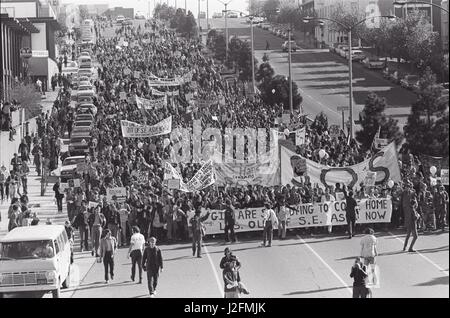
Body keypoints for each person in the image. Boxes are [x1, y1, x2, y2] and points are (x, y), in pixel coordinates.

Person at [402, 182, 419, 252]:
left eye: (408, 187)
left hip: (408, 218)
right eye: (406, 187)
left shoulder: (410, 194)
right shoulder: (405, 194)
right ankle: (410, 248)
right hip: (411, 220)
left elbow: (415, 203)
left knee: (408, 234)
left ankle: (405, 247)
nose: (408, 188)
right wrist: (417, 216)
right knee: (415, 236)